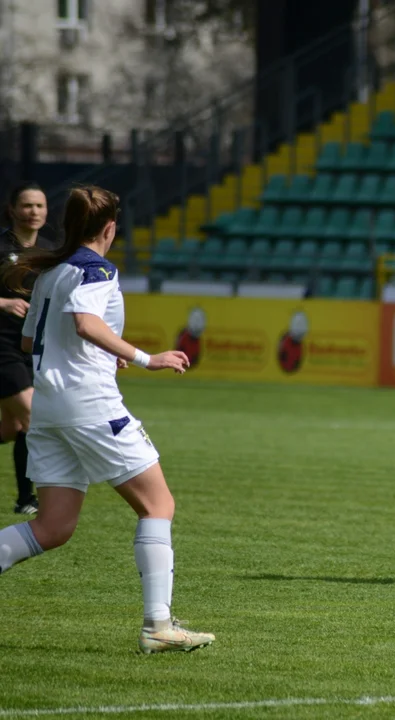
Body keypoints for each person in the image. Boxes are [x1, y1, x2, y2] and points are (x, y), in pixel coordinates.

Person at [0, 185, 216, 653]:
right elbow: (84, 323)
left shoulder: (52, 271)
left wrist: (99, 355)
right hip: (90, 407)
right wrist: (144, 357)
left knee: (51, 528)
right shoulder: (96, 269)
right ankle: (158, 626)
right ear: (111, 228)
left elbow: (28, 342)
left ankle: (160, 625)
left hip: (51, 410)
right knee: (157, 506)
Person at [0, 182, 58, 515]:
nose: (33, 211)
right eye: (26, 205)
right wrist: (4, 303)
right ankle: (26, 500)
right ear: (12, 209)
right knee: (33, 418)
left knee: (11, 429)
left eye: (39, 205)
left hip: (32, 347)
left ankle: (25, 498)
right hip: (1, 345)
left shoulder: (51, 252)